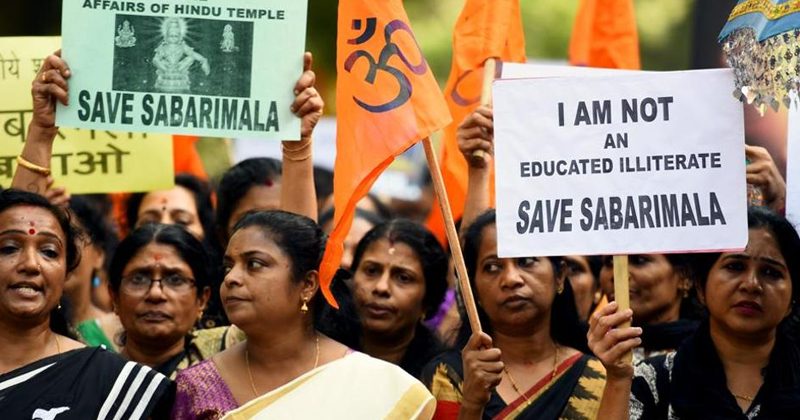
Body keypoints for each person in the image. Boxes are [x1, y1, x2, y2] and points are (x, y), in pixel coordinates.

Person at [173, 211, 435, 419]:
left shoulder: (379, 385)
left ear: (308, 285)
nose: (231, 278)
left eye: (254, 264)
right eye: (228, 266)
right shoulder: (197, 385)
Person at [590, 206, 800, 419]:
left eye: (771, 272)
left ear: (793, 300)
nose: (751, 284)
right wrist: (618, 380)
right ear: (700, 286)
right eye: (735, 266)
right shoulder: (654, 380)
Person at [0, 189, 173, 419]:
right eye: (9, 248)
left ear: (65, 273)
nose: (31, 264)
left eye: (49, 252)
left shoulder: (108, 381)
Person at [422, 210, 605, 420]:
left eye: (526, 261)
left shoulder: (599, 376)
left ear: (560, 276)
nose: (510, 278)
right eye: (492, 267)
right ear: (474, 291)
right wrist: (472, 404)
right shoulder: (448, 375)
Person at [109, 223, 242, 379]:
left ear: (202, 299)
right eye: (138, 279)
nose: (155, 294)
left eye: (175, 280)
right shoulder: (94, 379)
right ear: (114, 297)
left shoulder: (227, 353)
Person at [347, 219, 448, 378]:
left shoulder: (442, 377)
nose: (381, 287)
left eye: (403, 278)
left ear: (428, 299)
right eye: (371, 271)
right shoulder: (319, 355)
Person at [127, 173, 228, 328]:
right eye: (149, 222)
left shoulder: (230, 305)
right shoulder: (103, 329)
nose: (164, 229)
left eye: (182, 221)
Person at [64, 196, 119, 350]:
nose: (62, 254)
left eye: (71, 237)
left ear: (99, 255)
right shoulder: (17, 336)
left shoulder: (121, 330)